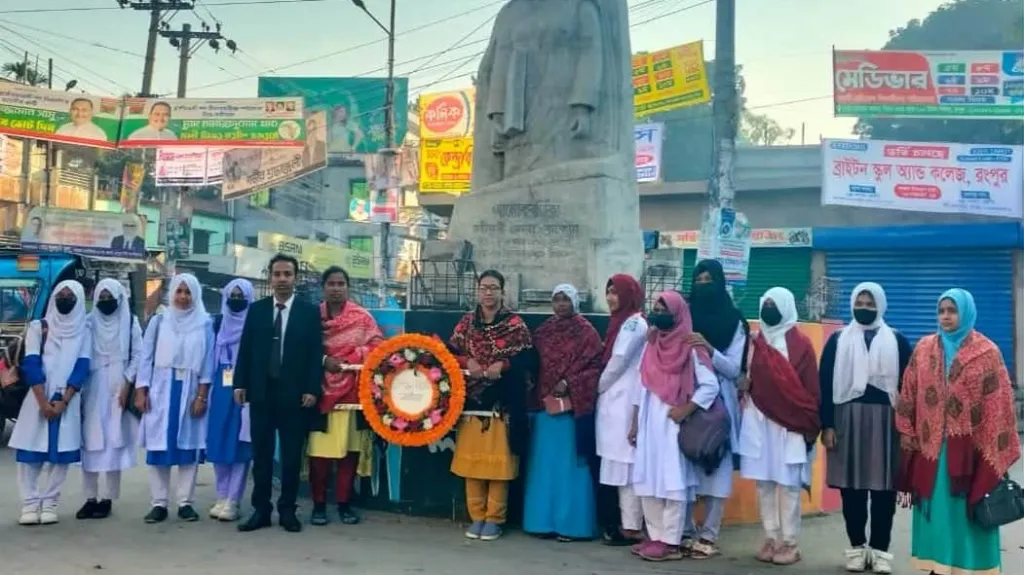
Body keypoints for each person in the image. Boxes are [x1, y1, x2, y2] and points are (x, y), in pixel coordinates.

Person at [896, 288, 1020, 575]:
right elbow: (909, 394)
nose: (946, 316)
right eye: (941, 311)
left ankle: (971, 569)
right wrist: (907, 432)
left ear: (966, 313)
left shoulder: (987, 353)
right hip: (931, 452)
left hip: (972, 456)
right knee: (937, 516)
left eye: (952, 311)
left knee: (968, 517)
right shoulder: (925, 349)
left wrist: (991, 455)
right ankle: (937, 567)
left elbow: (1000, 407)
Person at [819, 283, 913, 573]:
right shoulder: (837, 340)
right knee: (852, 488)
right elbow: (824, 384)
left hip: (887, 422)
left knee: (884, 490)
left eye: (870, 303)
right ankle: (857, 547)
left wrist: (907, 428)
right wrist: (828, 425)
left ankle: (881, 550)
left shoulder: (897, 340)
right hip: (847, 419)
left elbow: (908, 388)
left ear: (881, 306)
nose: (864, 307)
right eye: (859, 302)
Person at [234, 254, 323, 533]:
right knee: (261, 454)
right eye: (277, 274)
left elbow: (314, 354)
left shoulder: (308, 313)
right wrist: (240, 383)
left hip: (294, 395)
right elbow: (246, 349)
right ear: (270, 278)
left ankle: (287, 510)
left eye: (287, 274)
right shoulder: (257, 310)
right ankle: (261, 509)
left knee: (291, 456)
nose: (282, 279)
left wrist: (311, 388)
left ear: (295, 278)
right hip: (261, 392)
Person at [629, 291, 719, 562]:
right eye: (655, 306)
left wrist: (685, 410)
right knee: (649, 481)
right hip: (649, 423)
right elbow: (641, 385)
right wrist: (635, 424)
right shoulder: (652, 343)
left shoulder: (691, 345)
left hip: (673, 424)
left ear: (678, 313)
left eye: (663, 308)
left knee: (673, 484)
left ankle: (671, 541)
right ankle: (655, 537)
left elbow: (710, 385)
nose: (657, 311)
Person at [448, 270, 535, 542]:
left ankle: (495, 519)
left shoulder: (515, 325)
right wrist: (467, 363)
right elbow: (450, 352)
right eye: (484, 288)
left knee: (497, 466)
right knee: (472, 464)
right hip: (471, 404)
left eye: (494, 288)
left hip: (502, 405)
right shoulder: (465, 325)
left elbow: (529, 359)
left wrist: (504, 364)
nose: (488, 293)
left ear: (502, 291)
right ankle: (476, 517)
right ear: (477, 291)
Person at [739, 287, 821, 565]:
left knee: (788, 486)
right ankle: (771, 538)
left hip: (789, 425)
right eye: (766, 303)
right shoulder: (754, 343)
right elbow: (746, 377)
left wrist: (807, 422)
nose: (769, 308)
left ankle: (790, 543)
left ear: (786, 307)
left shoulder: (801, 345)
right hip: (759, 421)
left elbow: (810, 389)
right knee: (764, 483)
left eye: (775, 304)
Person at [523, 284, 603, 541]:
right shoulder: (544, 331)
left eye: (565, 300)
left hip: (571, 410)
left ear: (575, 302)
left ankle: (572, 525)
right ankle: (541, 523)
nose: (560, 305)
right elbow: (534, 365)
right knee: (544, 466)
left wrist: (568, 383)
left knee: (570, 467)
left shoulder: (586, 333)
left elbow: (595, 368)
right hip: (545, 409)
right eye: (556, 300)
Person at [683, 259, 750, 559]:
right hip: (684, 398)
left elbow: (736, 369)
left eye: (710, 279)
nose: (704, 284)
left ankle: (708, 534)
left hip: (720, 400)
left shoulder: (734, 321)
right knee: (684, 467)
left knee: (717, 467)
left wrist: (709, 349)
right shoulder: (683, 315)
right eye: (699, 279)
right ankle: (684, 531)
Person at [9, 280, 91, 526]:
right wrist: (43, 402)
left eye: (70, 296)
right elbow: (31, 363)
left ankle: (50, 502)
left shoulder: (84, 330)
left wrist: (64, 401)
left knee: (60, 456)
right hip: (38, 397)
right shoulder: (39, 327)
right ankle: (30, 504)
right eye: (60, 295)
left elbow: (82, 367)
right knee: (30, 454)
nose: (64, 299)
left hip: (67, 399)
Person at [135, 273, 214, 524]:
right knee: (159, 448)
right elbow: (145, 358)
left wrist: (202, 396)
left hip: (190, 389)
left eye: (188, 292)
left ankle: (185, 503)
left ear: (195, 295)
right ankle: (158, 504)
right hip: (162, 388)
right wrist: (141, 390)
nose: (182, 297)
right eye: (179, 291)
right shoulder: (160, 321)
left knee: (188, 450)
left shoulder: (205, 324)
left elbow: (208, 363)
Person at [307, 266, 383, 526]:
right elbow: (300, 347)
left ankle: (344, 504)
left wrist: (350, 359)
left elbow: (376, 346)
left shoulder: (362, 318)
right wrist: (325, 360)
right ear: (323, 287)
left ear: (348, 287)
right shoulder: (311, 317)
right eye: (331, 283)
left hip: (352, 394)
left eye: (341, 283)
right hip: (319, 394)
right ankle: (318, 506)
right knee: (319, 455)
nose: (336, 288)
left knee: (350, 453)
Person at [77, 279, 142, 520]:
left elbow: (138, 355)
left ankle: (107, 498)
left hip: (118, 386)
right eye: (101, 299)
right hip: (92, 387)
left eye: (109, 298)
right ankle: (89, 498)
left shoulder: (130, 323)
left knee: (114, 443)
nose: (105, 303)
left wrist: (127, 383)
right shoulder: (88, 322)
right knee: (90, 444)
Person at [595, 273, 647, 546]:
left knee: (625, 469)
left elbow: (618, 360)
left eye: (616, 292)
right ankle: (624, 525)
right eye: (609, 291)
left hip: (624, 402)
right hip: (617, 402)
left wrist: (597, 386)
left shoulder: (632, 324)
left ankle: (630, 527)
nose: (611, 297)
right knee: (618, 467)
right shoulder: (620, 323)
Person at [206, 279, 255, 522]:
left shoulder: (254, 325)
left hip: (244, 388)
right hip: (220, 388)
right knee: (218, 442)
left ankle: (234, 500)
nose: (236, 299)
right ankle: (221, 495)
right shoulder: (217, 324)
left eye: (241, 295)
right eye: (232, 295)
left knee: (240, 444)